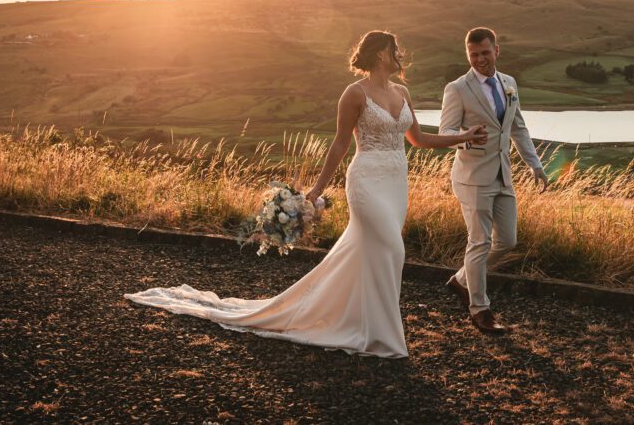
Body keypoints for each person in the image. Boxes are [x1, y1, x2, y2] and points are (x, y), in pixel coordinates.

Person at [125, 31, 486, 358]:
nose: (399, 55)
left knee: (376, 253)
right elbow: (340, 145)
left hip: (396, 183)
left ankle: (364, 323)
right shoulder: (354, 93)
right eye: (394, 50)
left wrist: (464, 136)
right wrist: (317, 189)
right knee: (393, 248)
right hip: (366, 181)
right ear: (379, 55)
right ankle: (383, 336)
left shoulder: (403, 93)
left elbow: (420, 140)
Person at [439, 27, 548, 334]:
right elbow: (445, 132)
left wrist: (534, 165)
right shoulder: (457, 88)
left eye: (485, 53)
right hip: (472, 177)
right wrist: (465, 138)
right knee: (479, 241)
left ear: (496, 50)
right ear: (467, 55)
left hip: (503, 174)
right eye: (473, 55)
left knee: (508, 240)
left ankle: (461, 279)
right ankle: (480, 310)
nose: (480, 59)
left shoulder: (509, 84)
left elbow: (518, 128)